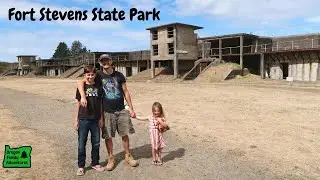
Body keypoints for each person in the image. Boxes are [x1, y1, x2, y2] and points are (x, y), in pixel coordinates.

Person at [77, 54, 138, 171]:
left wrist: (131, 108)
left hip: (121, 109)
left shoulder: (119, 75)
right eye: (103, 61)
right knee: (108, 136)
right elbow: (80, 82)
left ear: (111, 61)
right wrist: (83, 96)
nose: (105, 62)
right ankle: (111, 158)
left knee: (124, 134)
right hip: (106, 111)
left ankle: (128, 155)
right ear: (100, 63)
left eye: (107, 60)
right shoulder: (98, 75)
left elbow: (126, 91)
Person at [73, 65, 105, 176]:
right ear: (85, 75)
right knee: (82, 143)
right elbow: (78, 104)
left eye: (92, 74)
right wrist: (76, 119)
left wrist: (101, 118)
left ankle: (95, 163)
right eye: (88, 74)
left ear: (95, 75)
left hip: (95, 120)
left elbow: (100, 104)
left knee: (96, 143)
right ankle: (81, 166)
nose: (90, 77)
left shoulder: (98, 86)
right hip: (83, 119)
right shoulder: (81, 87)